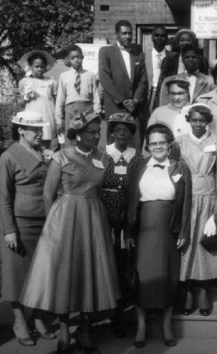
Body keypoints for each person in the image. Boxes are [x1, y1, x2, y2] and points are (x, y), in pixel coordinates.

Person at [20, 112, 121, 354]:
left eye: (99, 132)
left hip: (94, 218)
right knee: (65, 276)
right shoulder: (61, 156)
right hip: (65, 219)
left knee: (91, 274)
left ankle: (84, 329)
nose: (97, 136)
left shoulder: (104, 159)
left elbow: (107, 189)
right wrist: (51, 226)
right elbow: (48, 194)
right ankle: (64, 330)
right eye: (91, 132)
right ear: (78, 134)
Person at [125, 122, 192, 348]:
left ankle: (166, 326)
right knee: (142, 279)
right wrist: (128, 232)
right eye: (153, 143)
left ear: (169, 144)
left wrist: (183, 231)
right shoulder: (139, 167)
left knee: (167, 278)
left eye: (161, 142)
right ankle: (141, 327)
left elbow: (186, 204)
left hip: (169, 231)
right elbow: (130, 202)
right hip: (144, 230)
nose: (157, 147)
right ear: (147, 146)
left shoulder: (180, 167)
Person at [0, 112, 55, 347]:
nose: (40, 133)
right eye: (35, 130)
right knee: (17, 275)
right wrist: (9, 230)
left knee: (41, 273)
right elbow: (2, 197)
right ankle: (20, 321)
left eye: (41, 129)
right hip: (20, 224)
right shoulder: (8, 157)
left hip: (45, 221)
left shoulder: (43, 154)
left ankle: (39, 317)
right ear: (20, 130)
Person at [99, 113, 143, 336]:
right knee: (107, 261)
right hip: (104, 213)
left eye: (127, 128)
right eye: (118, 128)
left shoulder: (138, 157)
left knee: (126, 262)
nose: (122, 132)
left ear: (132, 133)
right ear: (112, 131)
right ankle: (107, 310)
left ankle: (125, 312)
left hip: (129, 212)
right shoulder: (102, 153)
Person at [178, 104, 217, 317]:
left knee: (205, 244)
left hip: (209, 196)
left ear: (208, 121)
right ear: (189, 120)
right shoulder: (180, 142)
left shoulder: (215, 142)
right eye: (194, 120)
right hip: (188, 197)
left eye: (202, 120)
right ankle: (188, 290)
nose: (198, 124)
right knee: (187, 245)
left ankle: (204, 290)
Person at [98, 19, 148, 147]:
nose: (128, 36)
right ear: (116, 34)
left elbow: (143, 80)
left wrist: (135, 100)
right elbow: (105, 78)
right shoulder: (106, 52)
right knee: (114, 147)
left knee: (135, 146)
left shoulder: (138, 55)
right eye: (124, 33)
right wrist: (122, 100)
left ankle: (135, 168)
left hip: (134, 109)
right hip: (116, 107)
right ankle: (113, 168)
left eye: (130, 33)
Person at [55, 44, 100, 146]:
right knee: (70, 140)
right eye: (73, 58)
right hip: (71, 111)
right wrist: (59, 119)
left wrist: (96, 113)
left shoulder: (90, 75)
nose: (76, 60)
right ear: (68, 60)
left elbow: (96, 96)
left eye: (78, 57)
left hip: (87, 111)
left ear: (82, 57)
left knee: (88, 138)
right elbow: (60, 99)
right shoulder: (64, 76)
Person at [154, 28, 210, 108]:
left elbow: (205, 83)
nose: (185, 43)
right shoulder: (169, 61)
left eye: (188, 40)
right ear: (178, 43)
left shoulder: (202, 61)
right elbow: (161, 86)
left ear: (193, 43)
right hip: (174, 102)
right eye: (182, 40)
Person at [18, 50, 57, 149]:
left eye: (42, 66)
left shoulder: (51, 82)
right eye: (37, 67)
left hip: (48, 114)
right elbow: (21, 103)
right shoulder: (26, 82)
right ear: (31, 67)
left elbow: (56, 101)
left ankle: (45, 161)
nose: (40, 69)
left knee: (45, 143)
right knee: (31, 142)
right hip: (32, 114)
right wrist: (27, 96)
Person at [145, 26, 176, 118]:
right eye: (156, 35)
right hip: (148, 94)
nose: (159, 38)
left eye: (162, 36)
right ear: (152, 37)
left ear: (167, 38)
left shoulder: (173, 56)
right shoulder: (143, 56)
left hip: (165, 94)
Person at [149, 75, 192, 139]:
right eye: (173, 93)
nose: (176, 98)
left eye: (180, 93)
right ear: (168, 94)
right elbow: (149, 138)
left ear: (188, 93)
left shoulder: (196, 111)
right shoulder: (159, 113)